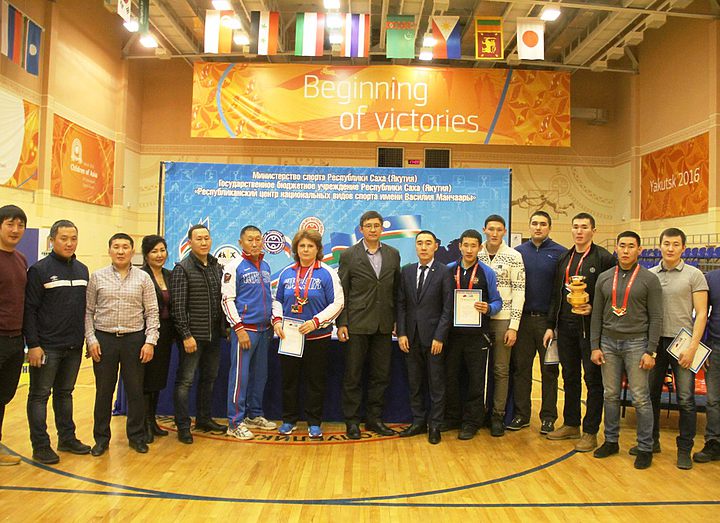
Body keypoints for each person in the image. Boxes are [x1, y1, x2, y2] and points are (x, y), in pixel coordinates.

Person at [544, 212, 615, 452]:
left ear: (593, 231)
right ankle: (571, 423)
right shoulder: (564, 258)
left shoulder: (604, 258)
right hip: (565, 326)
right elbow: (556, 294)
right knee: (569, 376)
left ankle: (591, 431)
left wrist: (593, 308)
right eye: (576, 227)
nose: (579, 231)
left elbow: (613, 295)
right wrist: (550, 325)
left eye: (584, 227)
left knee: (593, 380)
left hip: (590, 329)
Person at [590, 231, 662, 470]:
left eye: (631, 246)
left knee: (640, 397)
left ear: (639, 250)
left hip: (637, 344)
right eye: (622, 245)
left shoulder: (649, 279)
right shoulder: (604, 277)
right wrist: (595, 346)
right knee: (610, 395)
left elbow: (656, 317)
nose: (626, 250)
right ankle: (611, 441)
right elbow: (596, 315)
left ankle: (645, 447)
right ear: (616, 249)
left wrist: (651, 350)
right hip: (608, 343)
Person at [85, 233, 159, 456]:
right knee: (103, 392)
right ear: (109, 250)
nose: (120, 251)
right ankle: (101, 439)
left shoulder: (143, 278)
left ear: (132, 251)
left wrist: (150, 342)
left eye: (125, 247)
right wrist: (91, 339)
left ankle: (136, 437)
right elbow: (88, 311)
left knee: (135, 391)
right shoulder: (97, 277)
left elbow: (152, 312)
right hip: (104, 340)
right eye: (116, 247)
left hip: (134, 340)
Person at [24, 220, 91, 464]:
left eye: (73, 238)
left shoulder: (83, 270)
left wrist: (86, 339)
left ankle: (67, 439)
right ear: (52, 240)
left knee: (65, 394)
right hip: (46, 347)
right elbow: (29, 310)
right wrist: (33, 344)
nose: (69, 243)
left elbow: (86, 310)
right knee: (40, 395)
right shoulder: (39, 270)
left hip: (73, 346)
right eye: (64, 238)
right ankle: (41, 446)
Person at [645, 228, 708, 469]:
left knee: (685, 399)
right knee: (651, 395)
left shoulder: (695, 275)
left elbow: (701, 313)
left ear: (683, 247)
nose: (670, 248)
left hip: (683, 344)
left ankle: (684, 449)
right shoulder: (650, 275)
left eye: (675, 244)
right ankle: (651, 442)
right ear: (659, 246)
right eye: (666, 243)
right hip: (655, 342)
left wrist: (692, 347)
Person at [272, 229, 344, 439]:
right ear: (296, 249)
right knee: (289, 381)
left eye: (310, 246)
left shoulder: (327, 273)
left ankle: (314, 422)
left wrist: (316, 322)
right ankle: (289, 420)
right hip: (290, 337)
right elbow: (277, 301)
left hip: (317, 337)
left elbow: (338, 303)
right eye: (302, 246)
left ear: (318, 249)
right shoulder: (286, 273)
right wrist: (277, 320)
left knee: (315, 381)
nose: (305, 249)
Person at [337, 210, 401, 439]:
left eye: (376, 225)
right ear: (361, 229)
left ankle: (375, 419)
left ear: (382, 228)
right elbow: (343, 291)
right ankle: (352, 422)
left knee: (380, 376)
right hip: (356, 324)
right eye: (368, 225)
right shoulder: (348, 255)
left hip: (384, 325)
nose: (373, 229)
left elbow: (396, 291)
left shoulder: (393, 254)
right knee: (353, 376)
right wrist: (342, 322)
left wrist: (397, 320)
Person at [510, 211, 566, 434]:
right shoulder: (517, 253)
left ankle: (548, 417)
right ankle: (522, 415)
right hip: (522, 321)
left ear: (549, 228)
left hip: (547, 323)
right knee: (521, 370)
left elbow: (559, 292)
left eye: (543, 224)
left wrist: (553, 324)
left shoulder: (560, 253)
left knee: (549, 371)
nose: (538, 227)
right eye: (534, 223)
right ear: (529, 226)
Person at [444, 229, 502, 440]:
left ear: (480, 247)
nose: (469, 250)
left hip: (478, 337)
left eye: (473, 246)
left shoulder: (487, 273)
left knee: (476, 381)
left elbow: (497, 302)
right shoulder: (448, 270)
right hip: (452, 336)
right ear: (460, 246)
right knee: (451, 377)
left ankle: (471, 422)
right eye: (466, 245)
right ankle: (453, 417)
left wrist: (488, 308)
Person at [396, 230, 453, 444]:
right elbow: (401, 304)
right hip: (411, 337)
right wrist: (402, 332)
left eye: (428, 243)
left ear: (435, 246)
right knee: (415, 383)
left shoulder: (444, 272)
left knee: (436, 384)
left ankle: (435, 425)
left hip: (434, 339)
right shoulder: (407, 271)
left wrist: (440, 336)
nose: (423, 247)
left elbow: (448, 307)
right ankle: (418, 421)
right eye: (420, 243)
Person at [221, 225, 277, 440]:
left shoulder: (266, 266)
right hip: (245, 331)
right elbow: (227, 300)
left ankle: (254, 414)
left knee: (260, 376)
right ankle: (235, 422)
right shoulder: (234, 266)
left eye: (258, 239)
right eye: (250, 240)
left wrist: (274, 320)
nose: (255, 243)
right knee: (240, 377)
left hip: (264, 331)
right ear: (240, 243)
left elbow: (269, 297)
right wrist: (238, 328)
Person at [172, 224, 226, 444]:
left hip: (214, 336)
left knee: (209, 379)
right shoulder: (182, 268)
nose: (203, 242)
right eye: (198, 239)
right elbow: (177, 306)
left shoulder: (216, 266)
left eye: (206, 238)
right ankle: (183, 426)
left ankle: (204, 419)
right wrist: (186, 335)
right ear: (190, 242)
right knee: (185, 382)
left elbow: (221, 300)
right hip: (192, 337)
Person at [477, 214, 525, 437]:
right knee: (477, 369)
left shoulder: (514, 256)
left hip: (503, 320)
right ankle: (477, 413)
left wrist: (513, 326)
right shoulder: (476, 253)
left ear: (504, 232)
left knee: (500, 370)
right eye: (491, 229)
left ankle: (497, 415)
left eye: (499, 229)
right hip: (477, 320)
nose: (494, 233)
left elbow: (519, 292)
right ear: (484, 230)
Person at [140, 235, 176, 444]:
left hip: (166, 334)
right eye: (154, 251)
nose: (159, 255)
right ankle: (143, 424)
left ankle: (152, 421)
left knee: (158, 380)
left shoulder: (170, 275)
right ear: (146, 255)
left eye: (162, 250)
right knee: (146, 380)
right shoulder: (140, 275)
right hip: (145, 335)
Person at [0, 205, 27, 466]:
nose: (15, 229)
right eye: (10, 224)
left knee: (3, 396)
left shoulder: (20, 259)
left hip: (15, 339)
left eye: (20, 225)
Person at [695, 267, 720, 463]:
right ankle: (714, 442)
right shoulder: (711, 278)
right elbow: (701, 314)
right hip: (715, 347)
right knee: (713, 400)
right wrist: (702, 348)